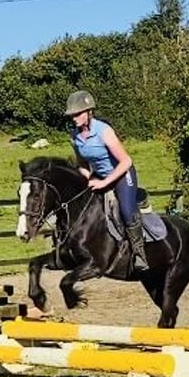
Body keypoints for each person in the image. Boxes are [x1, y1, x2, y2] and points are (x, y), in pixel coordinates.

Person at [64, 90, 149, 272]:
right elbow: (82, 163)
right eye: (72, 115)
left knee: (126, 209)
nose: (74, 118)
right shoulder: (74, 136)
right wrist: (88, 178)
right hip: (100, 177)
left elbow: (126, 161)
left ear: (89, 112)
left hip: (122, 174)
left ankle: (139, 253)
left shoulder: (104, 131)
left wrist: (104, 183)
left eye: (77, 114)